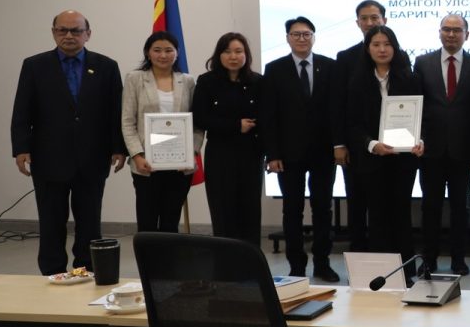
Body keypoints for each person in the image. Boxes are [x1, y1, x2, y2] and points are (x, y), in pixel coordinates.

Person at [11, 11, 125, 275]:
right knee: (51, 221)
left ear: (88, 34)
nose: (69, 36)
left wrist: (118, 147)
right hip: (48, 158)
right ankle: (52, 273)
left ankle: (87, 270)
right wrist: (21, 148)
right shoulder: (34, 65)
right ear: (54, 33)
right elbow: (22, 110)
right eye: (62, 30)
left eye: (76, 30)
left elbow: (115, 111)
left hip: (92, 157)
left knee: (90, 222)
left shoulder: (107, 66)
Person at [261, 17, 339, 281]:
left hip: (323, 152)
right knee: (292, 210)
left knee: (323, 209)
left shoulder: (330, 66)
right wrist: (272, 154)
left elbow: (336, 110)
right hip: (288, 154)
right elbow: (269, 115)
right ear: (287, 38)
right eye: (296, 34)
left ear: (314, 37)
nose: (302, 39)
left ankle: (322, 263)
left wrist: (338, 145)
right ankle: (296, 265)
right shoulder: (275, 69)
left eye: (306, 34)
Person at [345, 25, 424, 284]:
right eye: (376, 44)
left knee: (401, 214)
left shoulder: (410, 79)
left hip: (403, 161)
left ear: (395, 47)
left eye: (387, 44)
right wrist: (371, 144)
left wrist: (420, 141)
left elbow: (422, 118)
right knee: (377, 216)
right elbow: (352, 125)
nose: (382, 49)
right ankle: (382, 276)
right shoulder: (357, 81)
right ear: (368, 49)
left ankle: (406, 273)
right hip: (372, 160)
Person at [414, 14, 470, 276]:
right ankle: (429, 260)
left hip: (462, 151)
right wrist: (417, 139)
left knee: (461, 209)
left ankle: (458, 259)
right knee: (430, 208)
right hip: (430, 150)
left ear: (467, 34)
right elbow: (417, 106)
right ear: (439, 32)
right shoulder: (422, 63)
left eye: (457, 30)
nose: (451, 34)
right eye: (446, 29)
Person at [121, 30, 200, 234]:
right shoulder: (135, 78)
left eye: (168, 50)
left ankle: (169, 257)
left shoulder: (188, 81)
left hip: (180, 164)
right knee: (147, 222)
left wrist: (192, 153)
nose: (163, 55)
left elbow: (197, 122)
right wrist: (137, 155)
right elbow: (128, 121)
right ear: (148, 52)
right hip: (146, 163)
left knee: (170, 223)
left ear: (177, 53)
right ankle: (148, 257)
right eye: (157, 50)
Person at [193, 32, 265, 245]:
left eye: (238, 51)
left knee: (250, 210)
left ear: (246, 54)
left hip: (251, 154)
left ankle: (251, 260)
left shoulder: (258, 82)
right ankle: (225, 262)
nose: (233, 56)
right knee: (222, 210)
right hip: (220, 154)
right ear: (219, 55)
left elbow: (268, 116)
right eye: (227, 51)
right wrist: (235, 125)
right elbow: (200, 117)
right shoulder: (207, 82)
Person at [333, 0, 386, 252]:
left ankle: (381, 254)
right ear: (357, 23)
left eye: (374, 18)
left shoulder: (396, 54)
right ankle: (358, 255)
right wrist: (339, 143)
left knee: (381, 205)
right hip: (355, 145)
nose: (369, 22)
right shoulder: (345, 58)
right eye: (364, 18)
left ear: (384, 20)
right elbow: (338, 104)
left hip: (388, 146)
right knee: (356, 202)